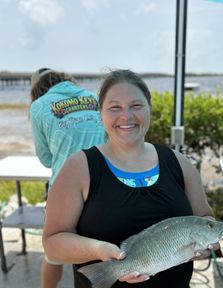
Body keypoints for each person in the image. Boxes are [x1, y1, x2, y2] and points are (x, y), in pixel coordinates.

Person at [42, 69, 219, 288]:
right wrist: (100, 251)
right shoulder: (79, 168)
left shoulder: (179, 163)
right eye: (114, 107)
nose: (126, 116)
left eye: (136, 106)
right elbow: (53, 243)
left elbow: (204, 217)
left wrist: (204, 245)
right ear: (101, 113)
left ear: (149, 109)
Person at [29, 68, 105, 288]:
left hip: (65, 190)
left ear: (37, 88)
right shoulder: (94, 97)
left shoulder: (39, 106)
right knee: (99, 251)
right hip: (103, 184)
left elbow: (45, 158)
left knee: (54, 253)